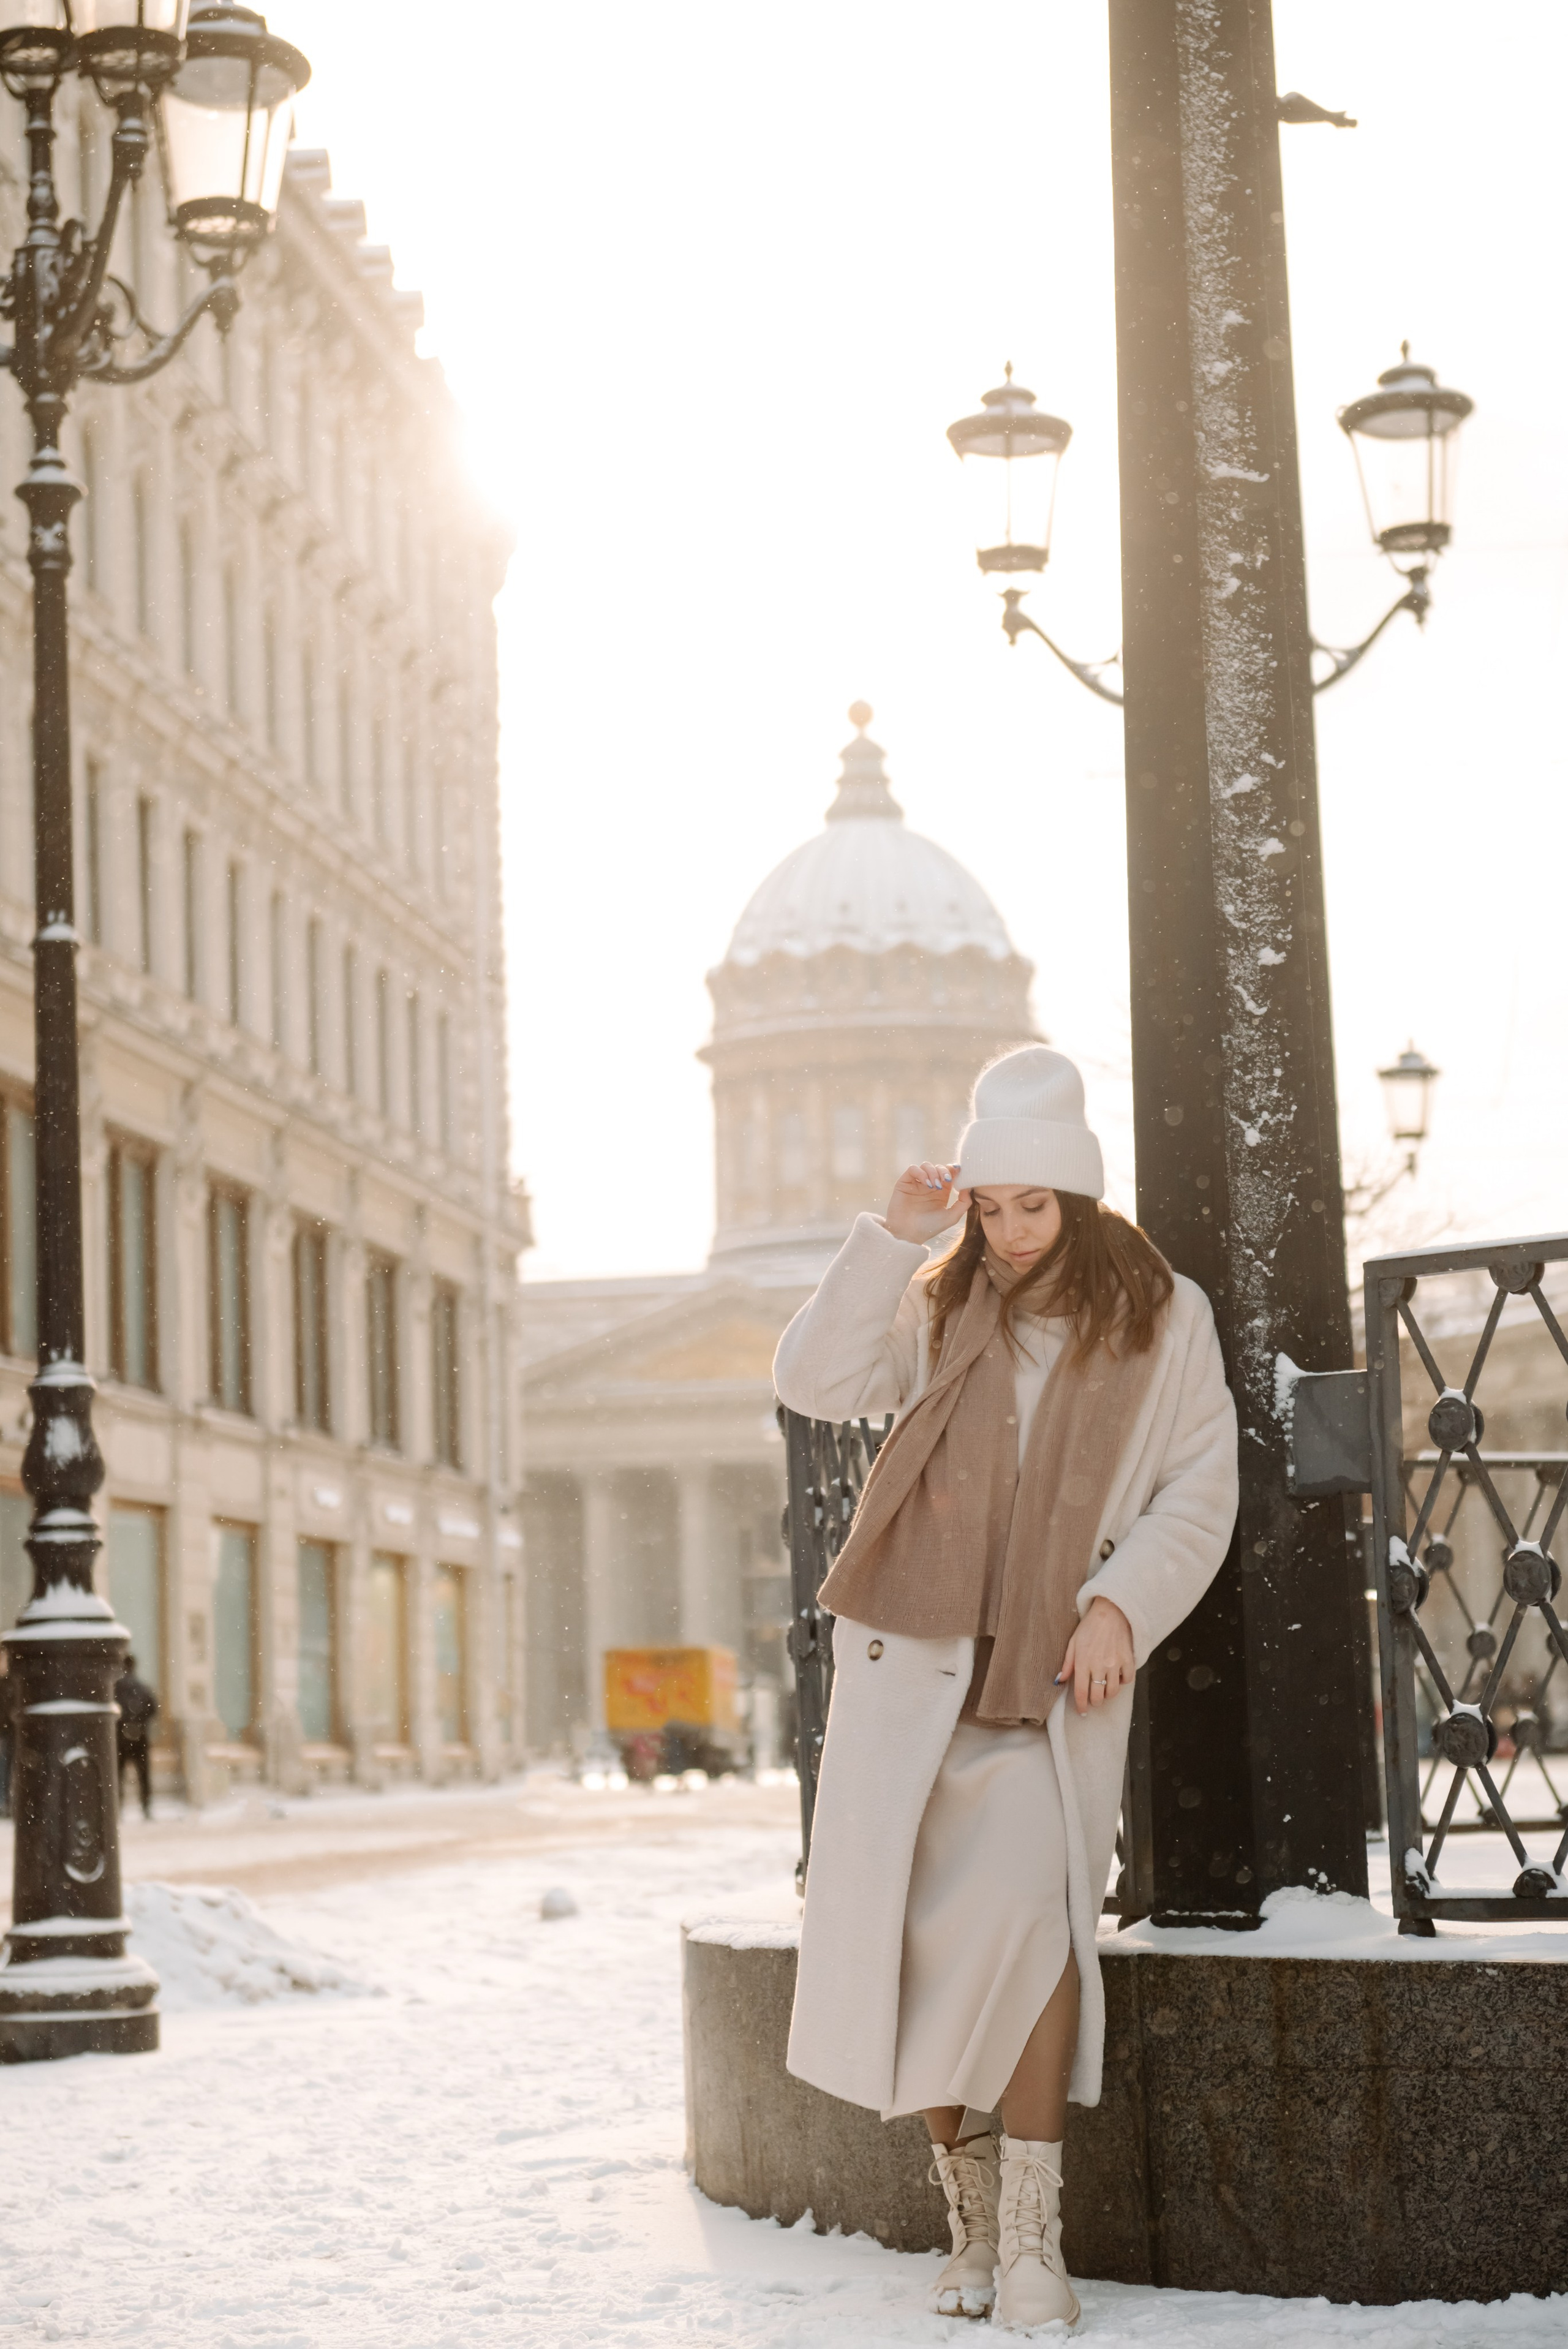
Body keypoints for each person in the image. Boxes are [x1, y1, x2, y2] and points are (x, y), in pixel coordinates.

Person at [774, 1046, 1238, 2331]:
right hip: (917, 1672)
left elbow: (1197, 1486)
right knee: (922, 1957)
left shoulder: (1159, 1315)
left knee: (1034, 1938)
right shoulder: (933, 1302)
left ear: (1080, 1202)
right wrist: (894, 1237)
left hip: (1044, 1688)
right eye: (991, 1206)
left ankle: (1037, 2243)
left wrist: (1117, 1603)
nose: (1011, 1233)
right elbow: (810, 1382)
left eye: (1033, 1206)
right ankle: (969, 2232)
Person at [114, 1653, 159, 1822]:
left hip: (120, 1738)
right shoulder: (143, 1687)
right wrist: (140, 1722)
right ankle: (146, 1808)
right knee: (144, 1776)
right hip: (140, 1737)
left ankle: (117, 1809)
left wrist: (123, 1723)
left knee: (118, 1776)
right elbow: (153, 1709)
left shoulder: (116, 1687)